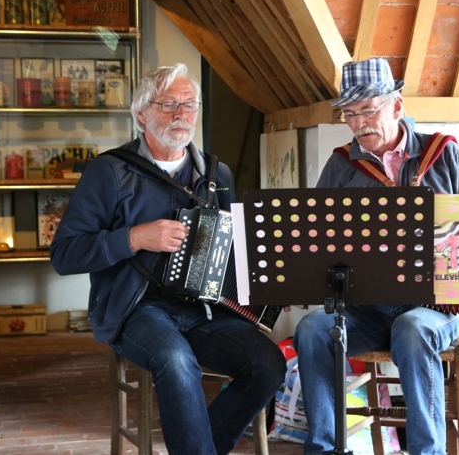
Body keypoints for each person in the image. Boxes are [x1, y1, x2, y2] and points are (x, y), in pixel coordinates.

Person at [293, 57, 459, 455]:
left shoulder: (443, 154)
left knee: (412, 328)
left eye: (368, 110)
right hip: (367, 310)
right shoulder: (341, 166)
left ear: (397, 106)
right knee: (313, 329)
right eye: (349, 114)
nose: (359, 123)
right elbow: (313, 240)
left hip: (436, 308)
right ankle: (325, 449)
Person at [50, 64, 286, 455]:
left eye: (189, 104)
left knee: (268, 364)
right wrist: (135, 238)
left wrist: (270, 284)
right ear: (141, 114)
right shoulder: (109, 172)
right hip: (135, 309)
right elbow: (64, 255)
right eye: (168, 104)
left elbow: (233, 254)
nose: (181, 114)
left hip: (204, 311)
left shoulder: (217, 174)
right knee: (177, 362)